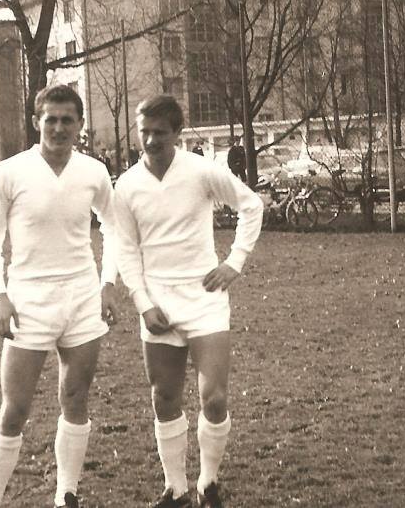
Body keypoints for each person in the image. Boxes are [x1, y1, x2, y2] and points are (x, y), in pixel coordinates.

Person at [112, 95, 263, 508]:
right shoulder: (127, 186)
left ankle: (208, 482)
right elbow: (125, 249)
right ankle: (175, 488)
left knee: (214, 397)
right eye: (144, 131)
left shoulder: (201, 170)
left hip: (204, 298)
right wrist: (143, 303)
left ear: (177, 133)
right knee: (164, 398)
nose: (150, 140)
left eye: (160, 132)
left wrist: (234, 262)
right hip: (157, 303)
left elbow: (251, 205)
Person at [0, 84, 119, 508]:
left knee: (75, 399)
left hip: (82, 298)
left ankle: (66, 494)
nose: (58, 128)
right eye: (50, 119)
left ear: (80, 124)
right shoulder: (11, 172)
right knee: (15, 409)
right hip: (28, 301)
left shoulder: (93, 172)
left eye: (67, 120)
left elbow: (114, 229)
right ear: (35, 122)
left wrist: (108, 283)